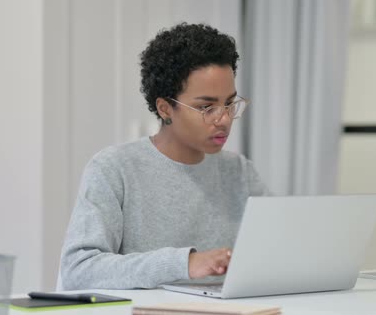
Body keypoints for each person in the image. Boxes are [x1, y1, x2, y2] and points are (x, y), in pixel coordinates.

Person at [59, 23, 269, 290]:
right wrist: (184, 263)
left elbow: (278, 252)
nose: (224, 119)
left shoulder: (240, 172)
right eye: (206, 107)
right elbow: (78, 270)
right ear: (165, 108)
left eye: (229, 103)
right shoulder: (114, 169)